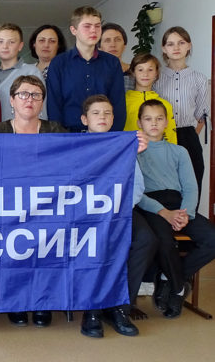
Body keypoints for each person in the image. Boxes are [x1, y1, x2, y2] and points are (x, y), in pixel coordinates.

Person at [79, 95, 157, 338]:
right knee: (96, 244)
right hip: (86, 214)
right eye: (96, 113)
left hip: (121, 211)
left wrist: (119, 210)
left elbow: (138, 186)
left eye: (107, 113)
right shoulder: (74, 146)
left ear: (113, 118)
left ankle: (120, 306)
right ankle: (92, 311)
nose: (102, 117)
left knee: (146, 240)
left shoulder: (123, 144)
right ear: (84, 119)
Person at [0, 75, 64, 326]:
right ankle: (17, 301)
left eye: (36, 95)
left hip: (47, 204)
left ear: (42, 102)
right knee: (12, 242)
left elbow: (68, 165)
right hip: (8, 203)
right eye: (23, 94)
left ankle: (43, 301)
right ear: (12, 100)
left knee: (49, 242)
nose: (29, 99)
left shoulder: (55, 130)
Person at [135, 99, 215, 318]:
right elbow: (137, 194)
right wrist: (164, 213)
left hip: (179, 204)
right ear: (139, 123)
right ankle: (179, 289)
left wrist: (185, 214)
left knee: (212, 239)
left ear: (167, 122)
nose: (154, 123)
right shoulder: (135, 152)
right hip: (152, 207)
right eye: (148, 119)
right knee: (163, 240)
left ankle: (167, 278)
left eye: (159, 118)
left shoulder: (179, 151)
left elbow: (190, 187)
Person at [46, 6, 125, 132]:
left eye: (97, 26)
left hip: (104, 136)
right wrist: (59, 137)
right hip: (68, 135)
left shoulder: (112, 63)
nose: (93, 30)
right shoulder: (59, 63)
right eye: (87, 26)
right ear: (73, 30)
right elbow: (54, 105)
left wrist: (113, 137)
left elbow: (118, 104)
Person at [154, 26, 210, 205]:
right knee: (164, 185)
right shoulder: (155, 78)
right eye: (170, 44)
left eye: (181, 42)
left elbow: (201, 115)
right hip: (161, 137)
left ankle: (190, 218)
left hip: (188, 134)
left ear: (189, 46)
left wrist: (192, 136)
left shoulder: (199, 79)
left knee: (192, 181)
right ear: (164, 49)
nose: (176, 47)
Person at [0, 23, 46, 123]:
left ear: (20, 46)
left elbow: (42, 110)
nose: (5, 46)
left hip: (23, 131)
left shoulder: (31, 72)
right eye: (0, 41)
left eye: (11, 42)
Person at [124, 53, 177, 144]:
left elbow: (171, 136)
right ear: (133, 72)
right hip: (130, 150)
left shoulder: (165, 104)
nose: (145, 74)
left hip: (157, 152)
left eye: (150, 70)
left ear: (156, 73)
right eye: (140, 70)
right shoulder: (123, 103)